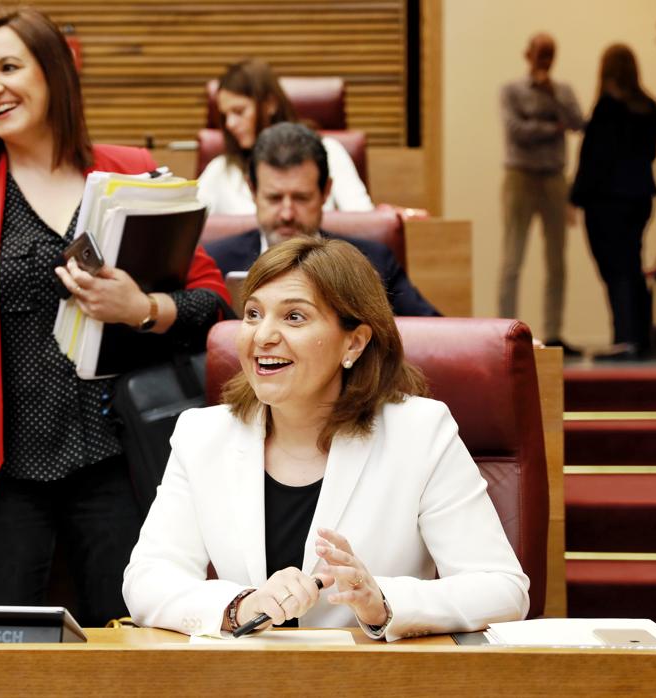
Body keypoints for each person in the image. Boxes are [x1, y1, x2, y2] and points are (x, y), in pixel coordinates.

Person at [0, 8, 229, 628]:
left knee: (133, 657)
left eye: (9, 66)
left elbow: (214, 305)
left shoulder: (131, 170)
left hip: (120, 463)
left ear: (55, 74)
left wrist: (143, 310)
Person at [123, 236, 528, 639]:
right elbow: (147, 579)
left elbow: (502, 588)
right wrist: (241, 606)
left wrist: (383, 600)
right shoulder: (203, 434)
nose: (262, 336)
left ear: (353, 342)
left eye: (294, 317)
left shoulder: (419, 432)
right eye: (252, 314)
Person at [205, 122, 440, 317]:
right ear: (253, 191)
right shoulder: (215, 261)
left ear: (326, 192)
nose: (287, 214)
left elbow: (434, 334)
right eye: (274, 198)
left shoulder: (373, 261)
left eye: (301, 198)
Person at [570, 45, 656, 360]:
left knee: (615, 270)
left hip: (607, 199)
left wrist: (576, 196)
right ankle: (639, 337)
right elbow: (651, 153)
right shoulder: (648, 106)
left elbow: (596, 158)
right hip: (639, 197)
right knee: (632, 266)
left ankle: (625, 339)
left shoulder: (608, 107)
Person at [497, 33, 584, 355]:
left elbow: (578, 122)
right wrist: (551, 127)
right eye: (540, 53)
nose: (545, 59)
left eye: (551, 53)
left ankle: (555, 331)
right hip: (520, 175)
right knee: (512, 258)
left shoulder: (563, 91)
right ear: (528, 53)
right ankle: (504, 330)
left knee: (557, 259)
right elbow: (517, 131)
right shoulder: (511, 91)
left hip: (554, 178)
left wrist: (552, 99)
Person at [197, 59, 373, 215]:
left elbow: (362, 223)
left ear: (270, 104)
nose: (230, 124)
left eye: (239, 111)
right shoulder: (220, 170)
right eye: (224, 116)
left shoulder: (329, 152)